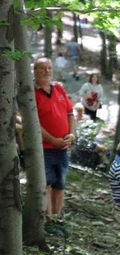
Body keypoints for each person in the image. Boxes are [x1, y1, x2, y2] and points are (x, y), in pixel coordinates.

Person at [34, 57, 76, 222]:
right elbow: (33, 123)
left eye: (49, 68)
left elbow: (70, 114)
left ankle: (57, 218)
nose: (46, 71)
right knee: (46, 184)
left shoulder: (58, 89)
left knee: (60, 183)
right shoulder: (31, 93)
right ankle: (47, 218)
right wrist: (52, 139)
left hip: (63, 147)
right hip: (44, 147)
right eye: (42, 68)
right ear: (35, 70)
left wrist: (72, 134)